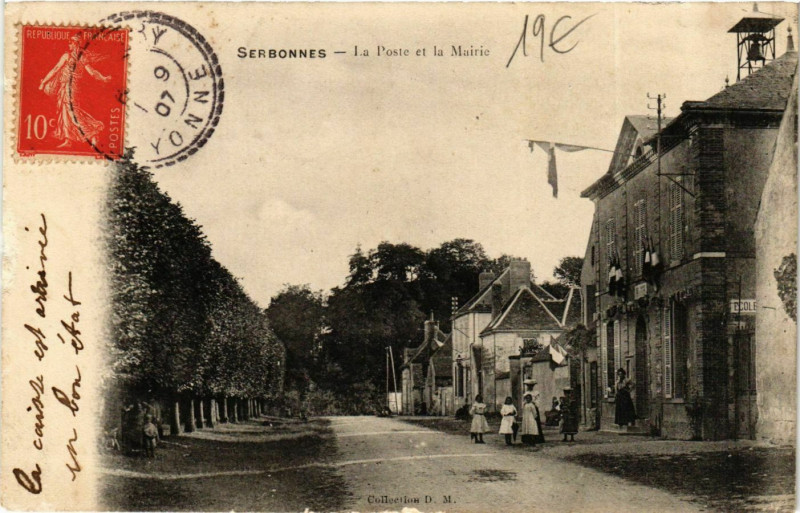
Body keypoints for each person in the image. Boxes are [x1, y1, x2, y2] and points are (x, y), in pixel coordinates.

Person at [38, 33, 110, 148]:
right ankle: (68, 139)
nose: (69, 45)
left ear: (76, 44)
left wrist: (43, 82)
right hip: (64, 86)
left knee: (72, 112)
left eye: (71, 43)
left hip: (71, 88)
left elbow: (56, 69)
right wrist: (103, 78)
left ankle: (92, 133)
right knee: (64, 111)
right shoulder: (77, 57)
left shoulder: (72, 56)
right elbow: (56, 69)